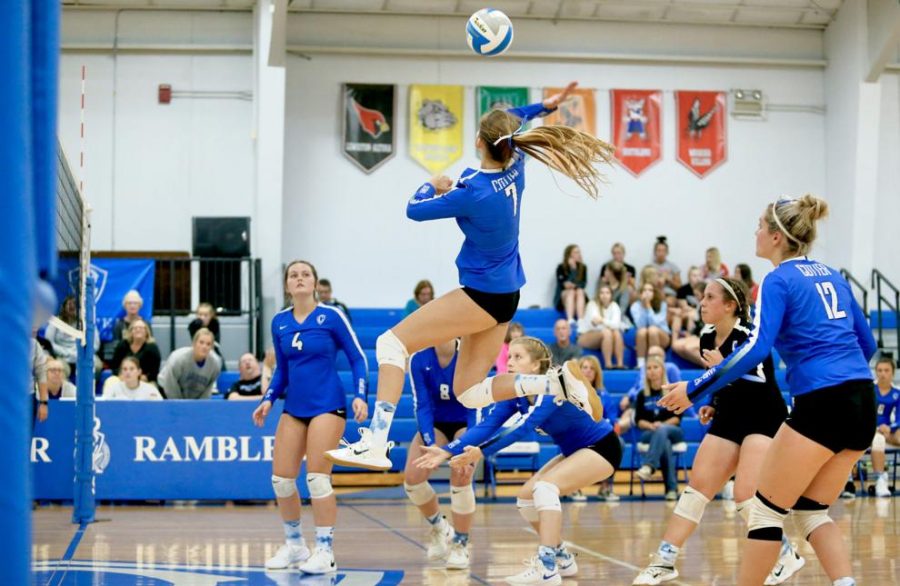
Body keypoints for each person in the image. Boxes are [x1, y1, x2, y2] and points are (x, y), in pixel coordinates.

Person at [326, 82, 614, 470]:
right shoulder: (517, 166)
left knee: (391, 344)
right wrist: (543, 107)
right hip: (506, 294)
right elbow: (518, 122)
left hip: (480, 295)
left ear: (479, 140)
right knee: (469, 392)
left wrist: (433, 184)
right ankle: (552, 384)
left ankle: (376, 441)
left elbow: (414, 209)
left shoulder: (472, 191)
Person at [659, 195, 877, 586]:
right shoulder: (833, 275)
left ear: (776, 237)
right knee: (812, 512)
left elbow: (757, 348)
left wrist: (694, 388)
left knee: (764, 512)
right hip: (862, 400)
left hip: (822, 402)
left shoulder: (778, 279)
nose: (755, 233)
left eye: (760, 226)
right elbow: (868, 345)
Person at [633, 278, 803, 585]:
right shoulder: (707, 335)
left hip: (763, 416)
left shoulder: (750, 336)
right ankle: (665, 560)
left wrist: (723, 366)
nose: (702, 302)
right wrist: (711, 401)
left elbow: (760, 384)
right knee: (697, 489)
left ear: (730, 306)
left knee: (745, 495)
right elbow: (715, 379)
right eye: (702, 296)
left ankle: (785, 553)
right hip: (730, 416)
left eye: (710, 297)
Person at [415, 336, 621, 585]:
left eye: (518, 357)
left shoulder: (551, 388)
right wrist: (447, 450)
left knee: (545, 489)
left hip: (602, 447)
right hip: (576, 451)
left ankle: (547, 567)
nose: (509, 362)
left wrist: (481, 451)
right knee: (525, 498)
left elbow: (523, 427)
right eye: (509, 356)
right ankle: (563, 558)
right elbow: (487, 425)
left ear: (535, 367)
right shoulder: (515, 395)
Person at [253, 260, 369, 575]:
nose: (300, 279)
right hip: (295, 407)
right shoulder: (279, 322)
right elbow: (282, 371)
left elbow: (358, 358)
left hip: (328, 405)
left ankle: (325, 551)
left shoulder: (331, 316)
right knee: (281, 480)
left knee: (317, 479)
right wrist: (268, 399)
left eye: (306, 274)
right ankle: (295, 545)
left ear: (315, 283)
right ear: (287, 285)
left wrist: (361, 394)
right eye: (294, 275)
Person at [404, 339, 477, 570]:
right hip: (435, 424)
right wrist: (430, 443)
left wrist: (466, 447)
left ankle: (461, 544)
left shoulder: (470, 356)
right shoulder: (419, 359)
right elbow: (422, 405)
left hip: (466, 424)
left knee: (462, 473)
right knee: (413, 479)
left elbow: (476, 407)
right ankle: (439, 527)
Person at [634, 356, 683, 500]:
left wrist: (662, 425)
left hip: (673, 430)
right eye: (648, 368)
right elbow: (638, 420)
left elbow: (677, 417)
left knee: (663, 432)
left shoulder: (671, 391)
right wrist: (651, 425)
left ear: (662, 370)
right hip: (649, 432)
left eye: (655, 367)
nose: (652, 371)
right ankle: (671, 489)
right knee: (664, 443)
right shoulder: (642, 395)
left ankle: (649, 465)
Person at [157, 328, 221, 400]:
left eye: (208, 344)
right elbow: (170, 384)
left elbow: (207, 390)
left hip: (190, 393)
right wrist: (179, 405)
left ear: (211, 347)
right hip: (166, 387)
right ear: (194, 343)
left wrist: (200, 406)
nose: (204, 347)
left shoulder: (215, 365)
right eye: (201, 342)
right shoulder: (178, 358)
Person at [871, 357, 900, 498]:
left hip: (888, 430)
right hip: (869, 430)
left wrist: (891, 427)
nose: (882, 374)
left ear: (893, 373)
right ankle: (880, 479)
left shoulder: (897, 393)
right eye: (879, 370)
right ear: (875, 372)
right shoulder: (869, 390)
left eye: (886, 370)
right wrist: (876, 427)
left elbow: (899, 418)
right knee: (878, 440)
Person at [577, 285, 626, 369]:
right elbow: (595, 325)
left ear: (611, 295)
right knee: (607, 332)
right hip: (585, 335)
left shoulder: (614, 306)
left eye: (607, 293)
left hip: (607, 335)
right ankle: (608, 364)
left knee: (616, 333)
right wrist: (609, 324)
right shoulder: (592, 305)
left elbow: (617, 325)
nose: (604, 295)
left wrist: (602, 321)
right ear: (598, 295)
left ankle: (620, 364)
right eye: (602, 293)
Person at [670, 268, 707, 366]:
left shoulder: (709, 306)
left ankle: (710, 366)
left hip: (709, 336)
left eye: (697, 295)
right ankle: (703, 364)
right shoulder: (699, 305)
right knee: (676, 345)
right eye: (695, 295)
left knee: (688, 347)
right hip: (700, 334)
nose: (696, 297)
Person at [110, 318, 161, 383]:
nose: (138, 330)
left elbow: (155, 371)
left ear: (146, 332)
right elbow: (114, 366)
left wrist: (145, 377)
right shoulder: (122, 345)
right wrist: (120, 375)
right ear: (130, 332)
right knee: (111, 381)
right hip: (123, 378)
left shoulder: (152, 347)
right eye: (135, 328)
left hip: (145, 381)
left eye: (141, 328)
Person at [631, 282, 671, 364]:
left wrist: (648, 306)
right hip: (644, 336)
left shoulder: (662, 305)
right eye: (644, 290)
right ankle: (641, 364)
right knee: (642, 331)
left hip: (662, 336)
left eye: (650, 290)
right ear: (641, 293)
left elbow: (656, 323)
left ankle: (655, 362)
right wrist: (643, 306)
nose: (647, 292)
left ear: (654, 293)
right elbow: (640, 325)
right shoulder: (635, 306)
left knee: (652, 330)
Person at [554, 244, 588, 325]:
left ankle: (581, 319)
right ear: (569, 254)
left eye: (579, 252)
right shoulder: (561, 267)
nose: (578, 254)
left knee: (579, 291)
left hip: (579, 295)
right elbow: (563, 285)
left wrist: (575, 270)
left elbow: (582, 284)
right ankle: (570, 319)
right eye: (576, 252)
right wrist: (572, 270)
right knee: (571, 291)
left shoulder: (583, 267)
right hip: (564, 297)